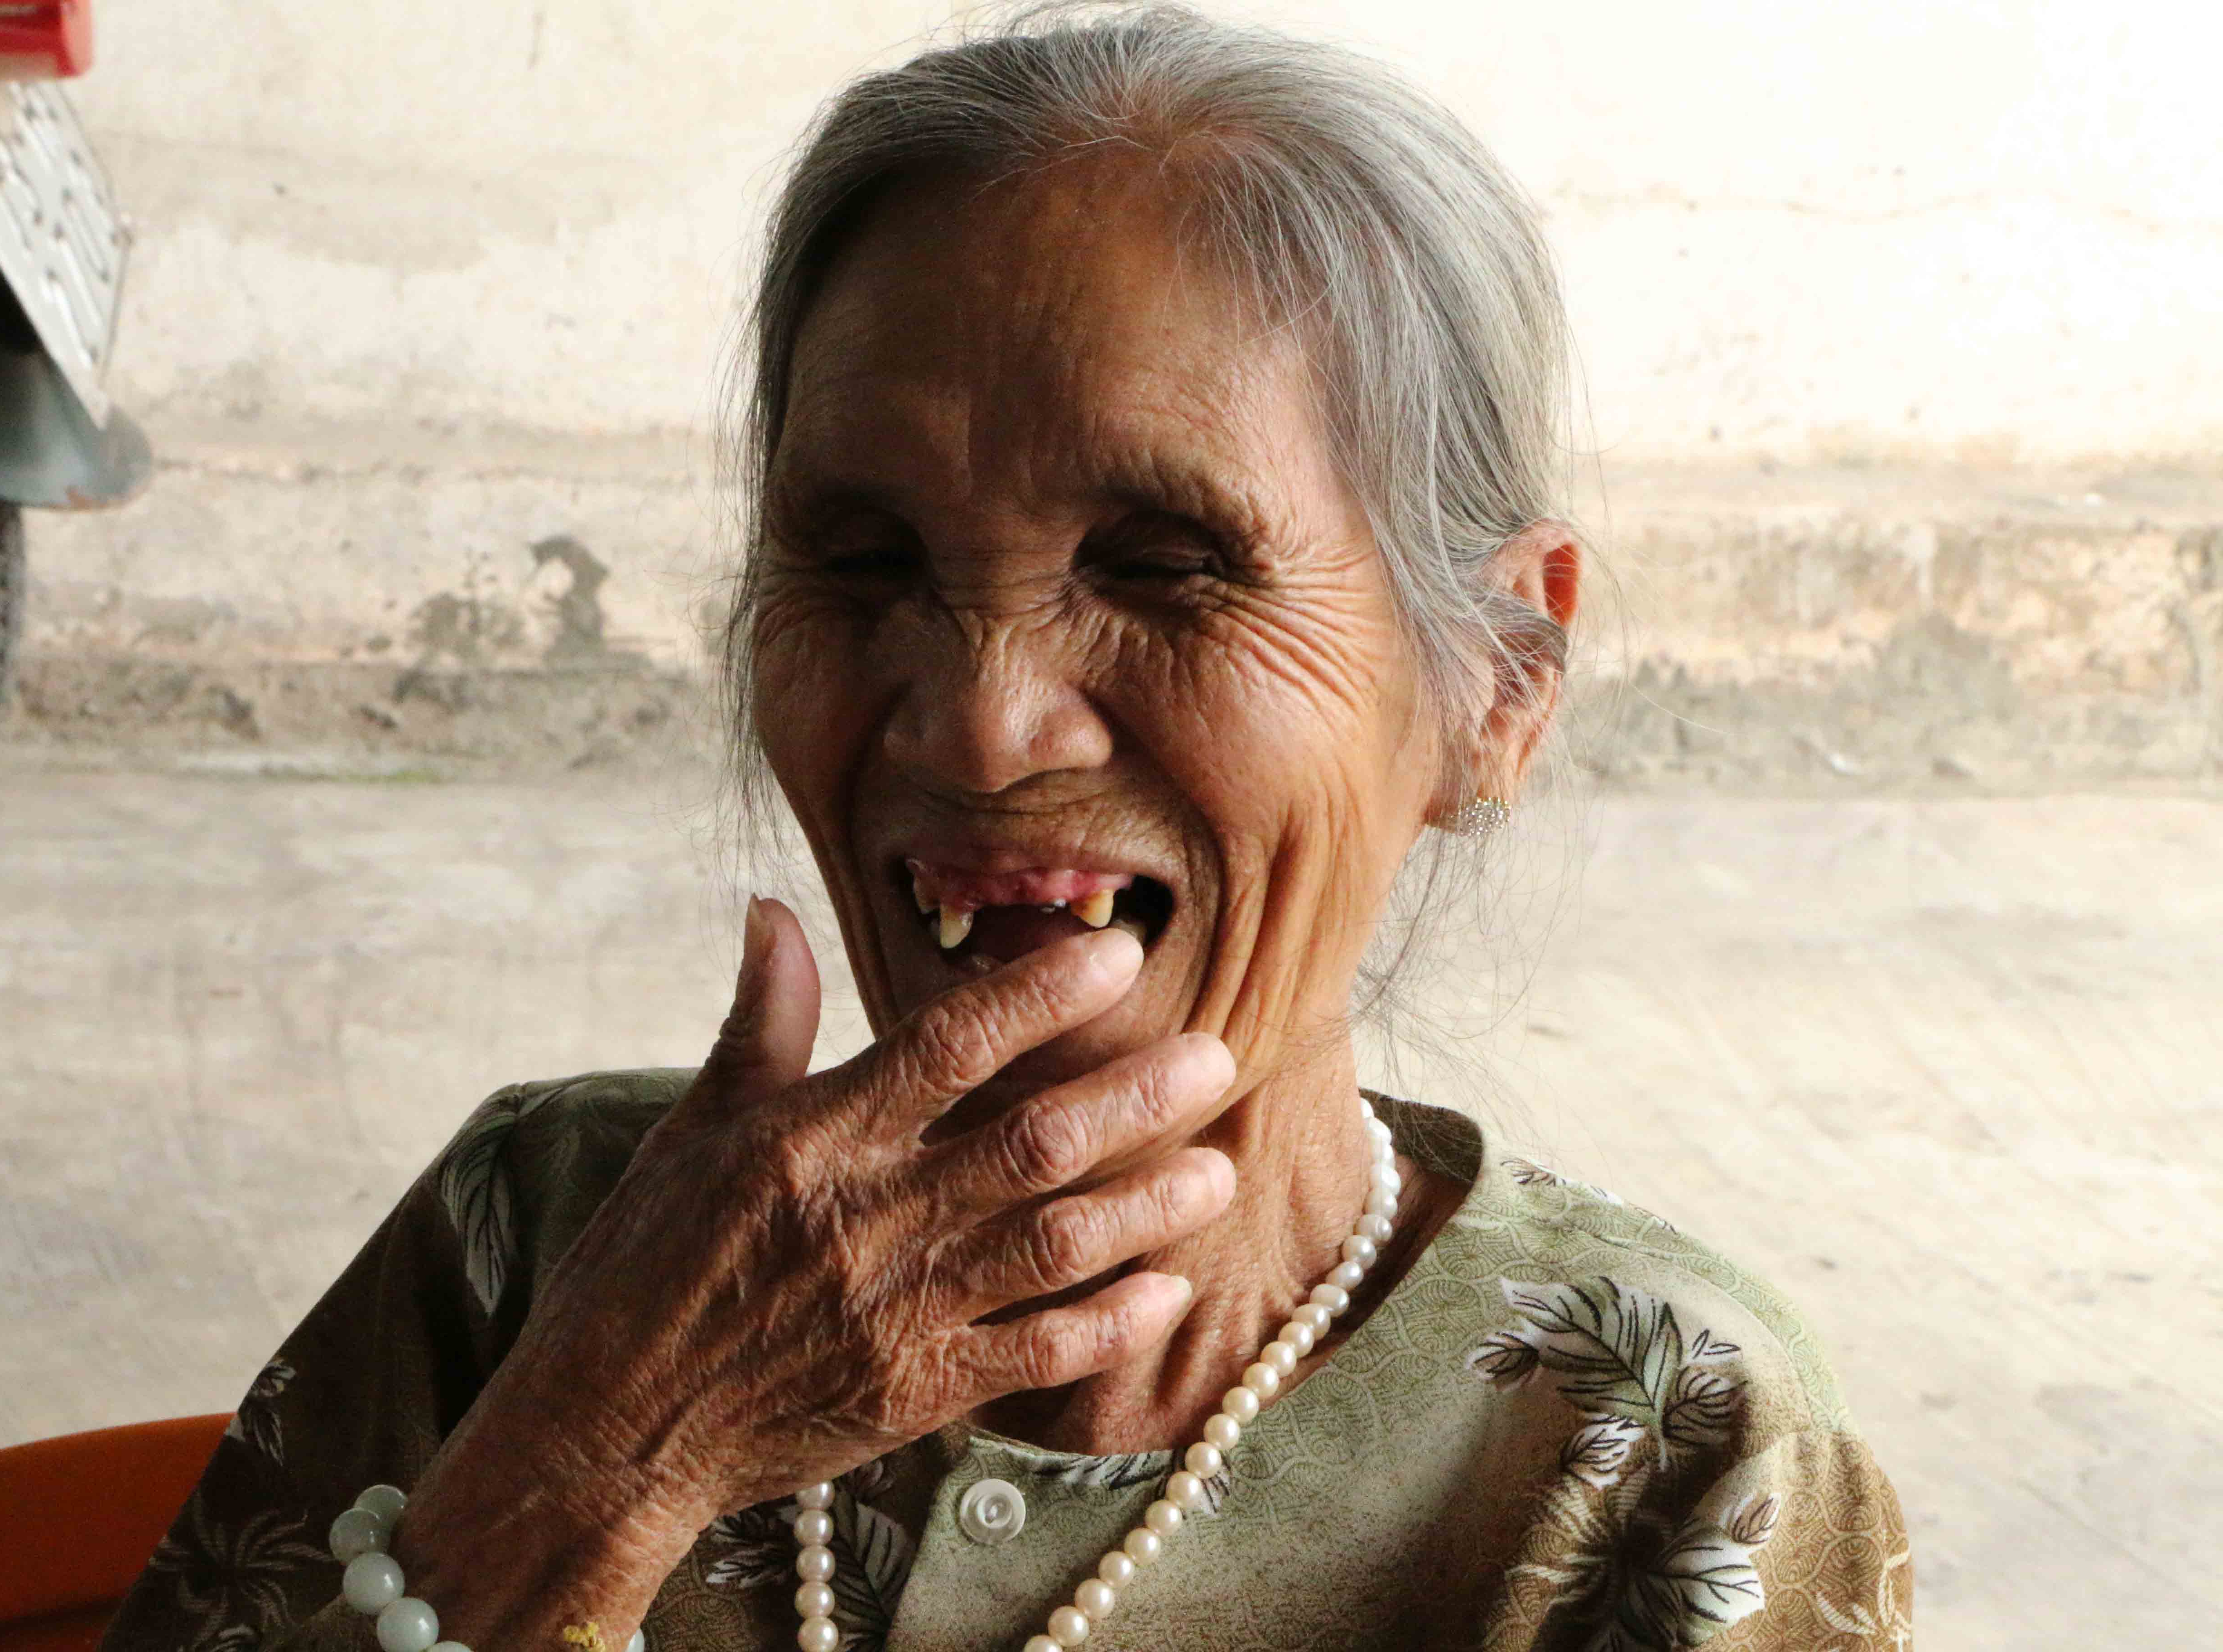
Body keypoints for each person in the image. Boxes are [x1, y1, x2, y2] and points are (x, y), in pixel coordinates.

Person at [101, 7, 1909, 1649]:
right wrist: (603, 1470)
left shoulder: (1656, 1449)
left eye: (1164, 564)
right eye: (862, 561)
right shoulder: (540, 1245)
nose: (980, 722)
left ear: (1497, 682)